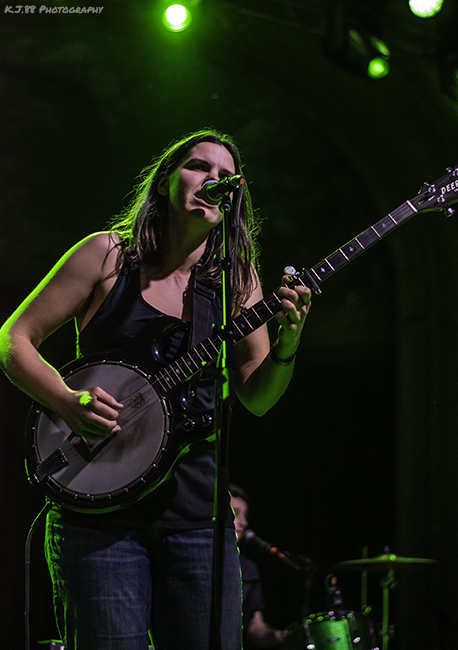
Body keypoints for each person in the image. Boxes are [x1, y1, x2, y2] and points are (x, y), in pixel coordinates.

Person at [0, 128, 312, 650]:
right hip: (98, 517)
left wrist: (287, 345)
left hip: (197, 521)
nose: (213, 180)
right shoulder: (106, 256)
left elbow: (257, 396)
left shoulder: (237, 280)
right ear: (166, 179)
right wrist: (65, 400)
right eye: (198, 167)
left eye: (224, 176)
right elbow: (14, 338)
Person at [230, 485, 288, 648]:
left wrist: (276, 636)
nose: (244, 522)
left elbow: (255, 627)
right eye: (235, 513)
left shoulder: (247, 568)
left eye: (246, 515)